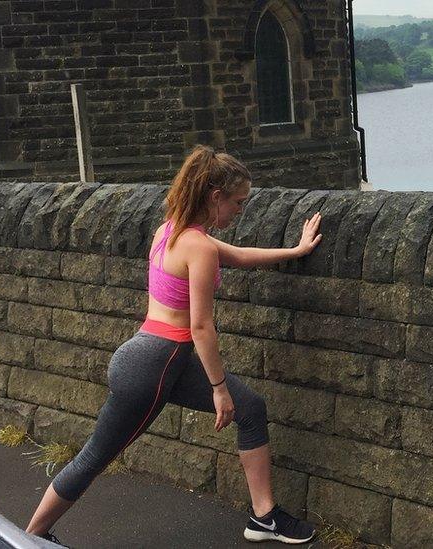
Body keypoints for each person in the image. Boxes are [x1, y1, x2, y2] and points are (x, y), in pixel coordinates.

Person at [25, 145, 324, 546]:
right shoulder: (197, 246)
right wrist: (219, 389)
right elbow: (201, 327)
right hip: (153, 366)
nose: (240, 211)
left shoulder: (172, 231)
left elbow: (237, 256)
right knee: (95, 456)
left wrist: (297, 250)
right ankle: (31, 537)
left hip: (160, 357)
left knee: (251, 407)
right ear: (214, 197)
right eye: (237, 202)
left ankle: (264, 516)